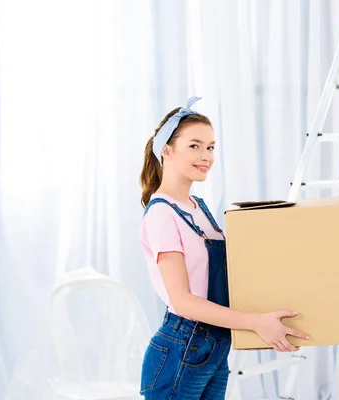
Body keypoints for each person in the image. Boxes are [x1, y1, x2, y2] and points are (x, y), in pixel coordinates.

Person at [137, 97, 309, 399]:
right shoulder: (161, 214)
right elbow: (184, 302)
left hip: (215, 345)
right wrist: (257, 323)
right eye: (195, 145)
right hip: (182, 347)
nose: (206, 155)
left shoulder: (198, 207)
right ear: (167, 151)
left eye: (211, 147)